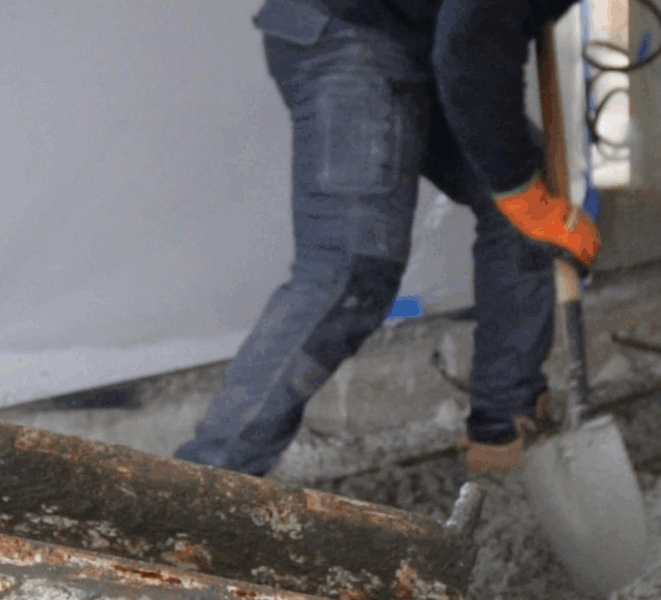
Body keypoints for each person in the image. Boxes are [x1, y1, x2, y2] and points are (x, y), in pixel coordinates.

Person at [174, 0, 600, 477]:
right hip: (349, 29)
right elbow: (472, 48)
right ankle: (200, 484)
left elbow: (485, 36)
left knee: (527, 206)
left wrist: (524, 194)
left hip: (415, 36)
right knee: (351, 274)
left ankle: (503, 425)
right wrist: (521, 194)